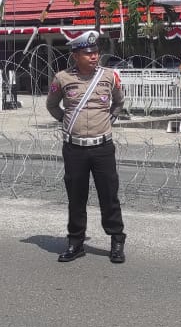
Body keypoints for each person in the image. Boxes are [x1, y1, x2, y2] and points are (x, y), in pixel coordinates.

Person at [46, 30, 127, 264]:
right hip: (75, 148)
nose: (93, 57)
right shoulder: (62, 78)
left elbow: (118, 103)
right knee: (76, 196)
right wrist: (69, 122)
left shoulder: (110, 76)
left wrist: (107, 122)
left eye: (95, 53)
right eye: (87, 53)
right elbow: (52, 105)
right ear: (75, 55)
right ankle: (75, 242)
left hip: (102, 147)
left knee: (109, 195)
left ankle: (116, 240)